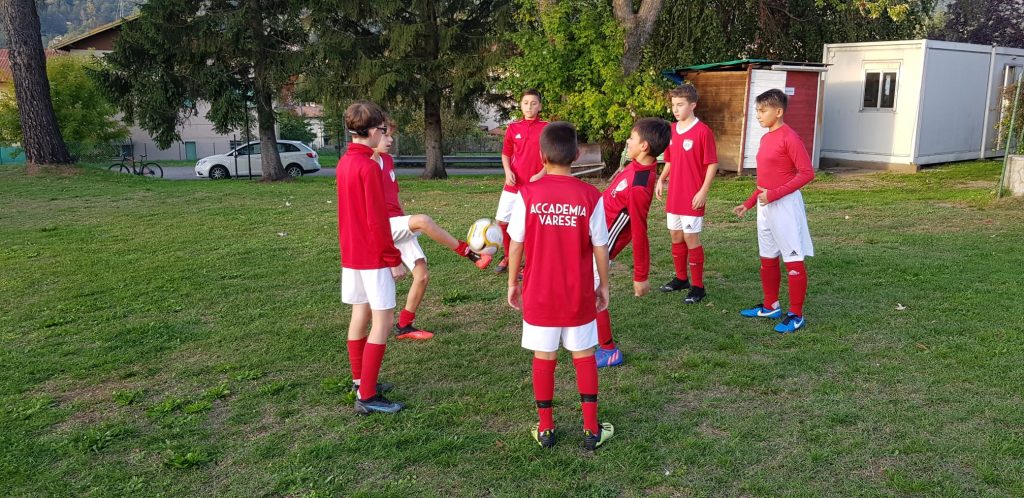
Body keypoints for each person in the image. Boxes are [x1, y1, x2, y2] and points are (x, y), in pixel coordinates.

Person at [506, 121, 615, 451]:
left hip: (539, 293)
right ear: (577, 155)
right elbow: (600, 246)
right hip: (577, 292)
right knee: (584, 355)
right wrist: (604, 285)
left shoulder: (527, 194)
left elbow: (516, 243)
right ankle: (591, 430)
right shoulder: (590, 196)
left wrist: (512, 282)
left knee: (544, 356)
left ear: (541, 156)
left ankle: (546, 429)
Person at [372, 120, 492, 340]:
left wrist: (406, 219)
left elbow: (395, 195)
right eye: (386, 135)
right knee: (424, 221)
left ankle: (405, 326)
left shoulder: (387, 160)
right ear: (373, 134)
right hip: (380, 225)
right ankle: (469, 253)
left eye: (391, 135)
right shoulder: (369, 161)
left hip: (398, 223)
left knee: (422, 276)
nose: (390, 140)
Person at [336, 101, 404, 415]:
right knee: (383, 321)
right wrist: (393, 258)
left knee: (359, 315)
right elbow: (377, 220)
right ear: (374, 130)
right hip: (372, 256)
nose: (385, 134)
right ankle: (367, 395)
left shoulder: (344, 163)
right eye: (383, 129)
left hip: (351, 254)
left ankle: (360, 379)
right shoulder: (369, 166)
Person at [732, 88, 815, 334]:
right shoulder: (766, 138)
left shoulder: (789, 137)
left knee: (792, 257)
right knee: (767, 255)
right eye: (757, 110)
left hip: (785, 205)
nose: (758, 115)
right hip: (765, 205)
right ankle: (771, 306)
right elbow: (764, 180)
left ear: (778, 112)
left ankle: (796, 315)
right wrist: (749, 202)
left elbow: (807, 173)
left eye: (763, 110)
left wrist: (775, 194)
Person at [594, 117, 671, 368]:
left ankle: (608, 350)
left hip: (602, 244)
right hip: (592, 233)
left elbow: (639, 231)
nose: (628, 141)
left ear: (644, 146)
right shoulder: (635, 166)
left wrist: (641, 276)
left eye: (632, 138)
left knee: (591, 292)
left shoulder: (639, 185)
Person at [655, 84, 719, 304]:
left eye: (680, 105)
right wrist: (661, 179)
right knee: (675, 235)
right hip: (675, 194)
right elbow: (670, 160)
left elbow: (712, 164)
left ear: (692, 105)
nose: (675, 109)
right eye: (673, 105)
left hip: (693, 195)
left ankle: (698, 287)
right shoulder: (671, 130)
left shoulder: (703, 131)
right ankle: (681, 279)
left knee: (691, 237)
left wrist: (703, 191)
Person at [495, 89, 548, 273]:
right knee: (502, 221)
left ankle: (529, 262)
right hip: (514, 184)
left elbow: (552, 157)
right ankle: (509, 257)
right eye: (526, 103)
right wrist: (507, 171)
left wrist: (540, 174)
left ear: (540, 106)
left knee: (532, 225)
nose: (529, 107)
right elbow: (506, 154)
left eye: (533, 103)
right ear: (520, 105)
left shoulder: (547, 128)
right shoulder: (513, 127)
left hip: (537, 186)